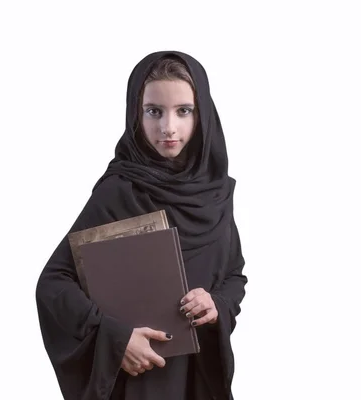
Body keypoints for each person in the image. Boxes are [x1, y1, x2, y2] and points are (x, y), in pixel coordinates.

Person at [35, 50, 247, 400]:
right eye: (154, 111)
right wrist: (117, 339)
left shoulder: (216, 192)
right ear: (136, 113)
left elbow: (234, 276)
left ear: (203, 114)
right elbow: (54, 284)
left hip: (197, 380)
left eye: (184, 111)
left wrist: (216, 305)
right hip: (139, 382)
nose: (168, 127)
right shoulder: (119, 191)